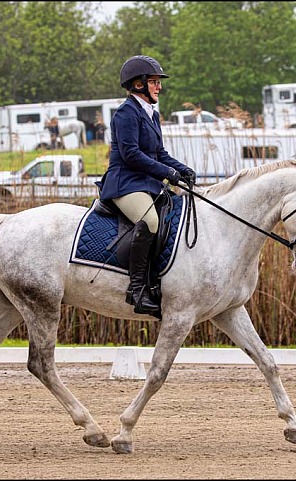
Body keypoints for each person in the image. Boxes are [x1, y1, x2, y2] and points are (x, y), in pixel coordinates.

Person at [96, 55, 196, 317]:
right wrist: (168, 174)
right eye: (153, 82)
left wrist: (182, 169)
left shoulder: (152, 114)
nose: (158, 87)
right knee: (150, 222)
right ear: (138, 85)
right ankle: (137, 289)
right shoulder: (125, 114)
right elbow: (131, 155)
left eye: (157, 82)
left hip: (146, 182)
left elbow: (159, 152)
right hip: (124, 183)